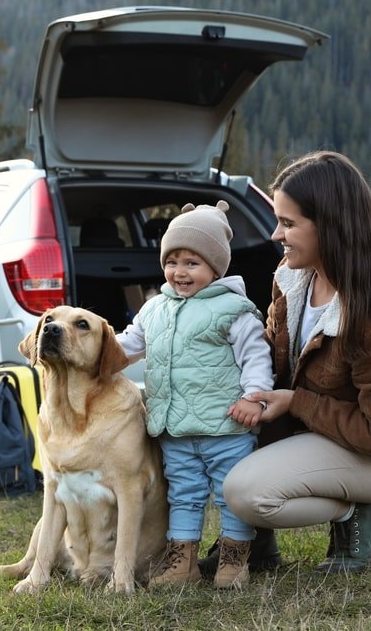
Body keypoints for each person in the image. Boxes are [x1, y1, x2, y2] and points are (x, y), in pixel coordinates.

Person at [221, 150, 371, 574]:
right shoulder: (292, 278)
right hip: (314, 433)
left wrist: (296, 403)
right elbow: (273, 358)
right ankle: (251, 544)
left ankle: (355, 513)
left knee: (246, 492)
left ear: (330, 226)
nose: (275, 233)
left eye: (288, 223)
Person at [116, 200, 273, 589]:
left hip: (227, 427)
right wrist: (93, 353)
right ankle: (182, 563)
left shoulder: (233, 309)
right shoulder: (154, 310)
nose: (179, 272)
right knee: (183, 495)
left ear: (215, 267)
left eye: (191, 263)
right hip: (176, 429)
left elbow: (255, 356)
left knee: (228, 495)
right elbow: (126, 345)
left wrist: (256, 397)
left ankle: (234, 561)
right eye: (172, 262)